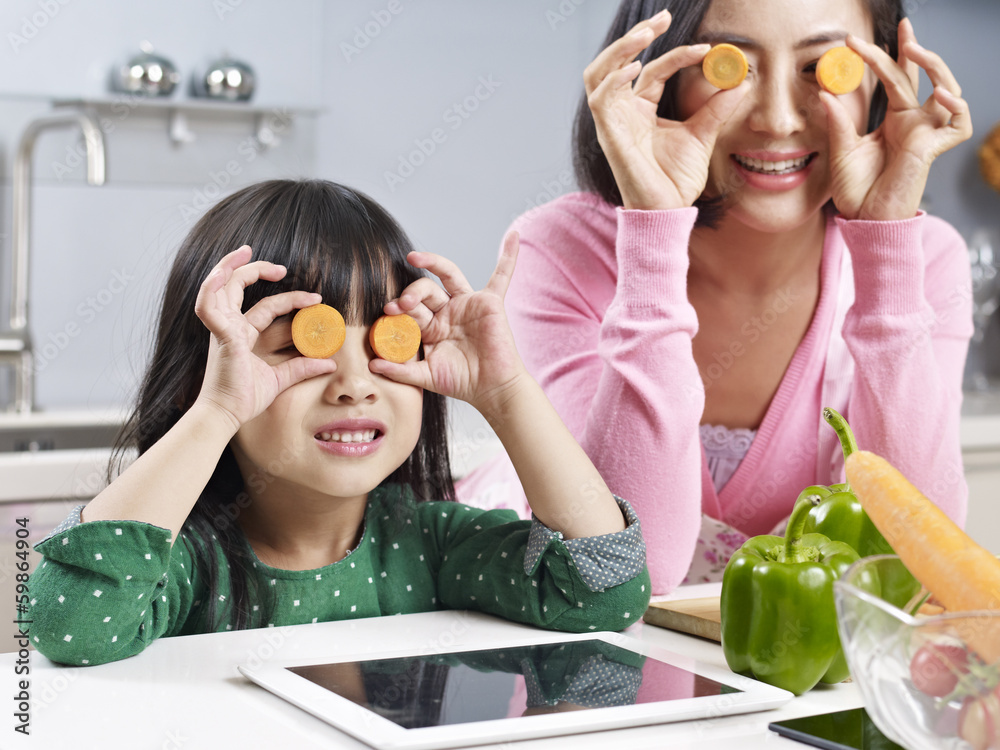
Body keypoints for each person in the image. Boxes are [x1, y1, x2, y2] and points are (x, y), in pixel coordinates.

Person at [457, 0, 973, 593]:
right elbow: (627, 568)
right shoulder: (558, 250)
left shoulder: (924, 259)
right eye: (730, 66)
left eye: (825, 66)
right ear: (661, 75)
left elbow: (918, 564)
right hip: (566, 651)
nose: (777, 120)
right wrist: (653, 225)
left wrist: (886, 251)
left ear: (884, 84)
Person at [27, 180, 650, 667]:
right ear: (211, 373)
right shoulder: (190, 561)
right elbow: (72, 624)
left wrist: (508, 393)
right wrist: (215, 412)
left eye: (389, 342)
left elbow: (605, 592)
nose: (355, 384)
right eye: (301, 346)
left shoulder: (431, 545)